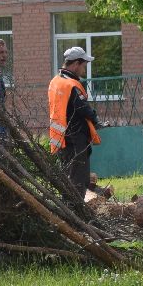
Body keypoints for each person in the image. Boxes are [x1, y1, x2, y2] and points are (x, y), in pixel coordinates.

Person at [48, 46, 103, 199]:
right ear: (76, 63)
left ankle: (67, 212)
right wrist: (96, 119)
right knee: (78, 183)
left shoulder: (55, 81)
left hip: (60, 139)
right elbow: (82, 108)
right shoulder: (71, 84)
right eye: (84, 66)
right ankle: (75, 216)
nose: (84, 70)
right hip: (75, 139)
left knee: (67, 180)